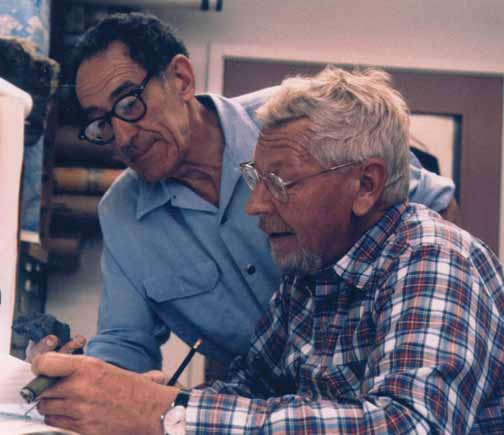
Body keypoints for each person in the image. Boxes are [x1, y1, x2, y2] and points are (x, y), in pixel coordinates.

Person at [33, 66, 503, 435]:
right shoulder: (307, 276)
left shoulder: (434, 258)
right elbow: (246, 388)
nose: (256, 205)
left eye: (279, 182)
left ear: (365, 184)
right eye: (256, 179)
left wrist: (173, 415)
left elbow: (410, 427)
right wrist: (142, 396)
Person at [32, 12, 456, 373]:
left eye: (128, 104)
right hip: (270, 407)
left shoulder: (290, 125)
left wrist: (447, 328)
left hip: (382, 373)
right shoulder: (121, 214)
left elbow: (436, 212)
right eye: (102, 123)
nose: (121, 136)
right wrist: (85, 378)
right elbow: (125, 344)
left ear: (180, 78)